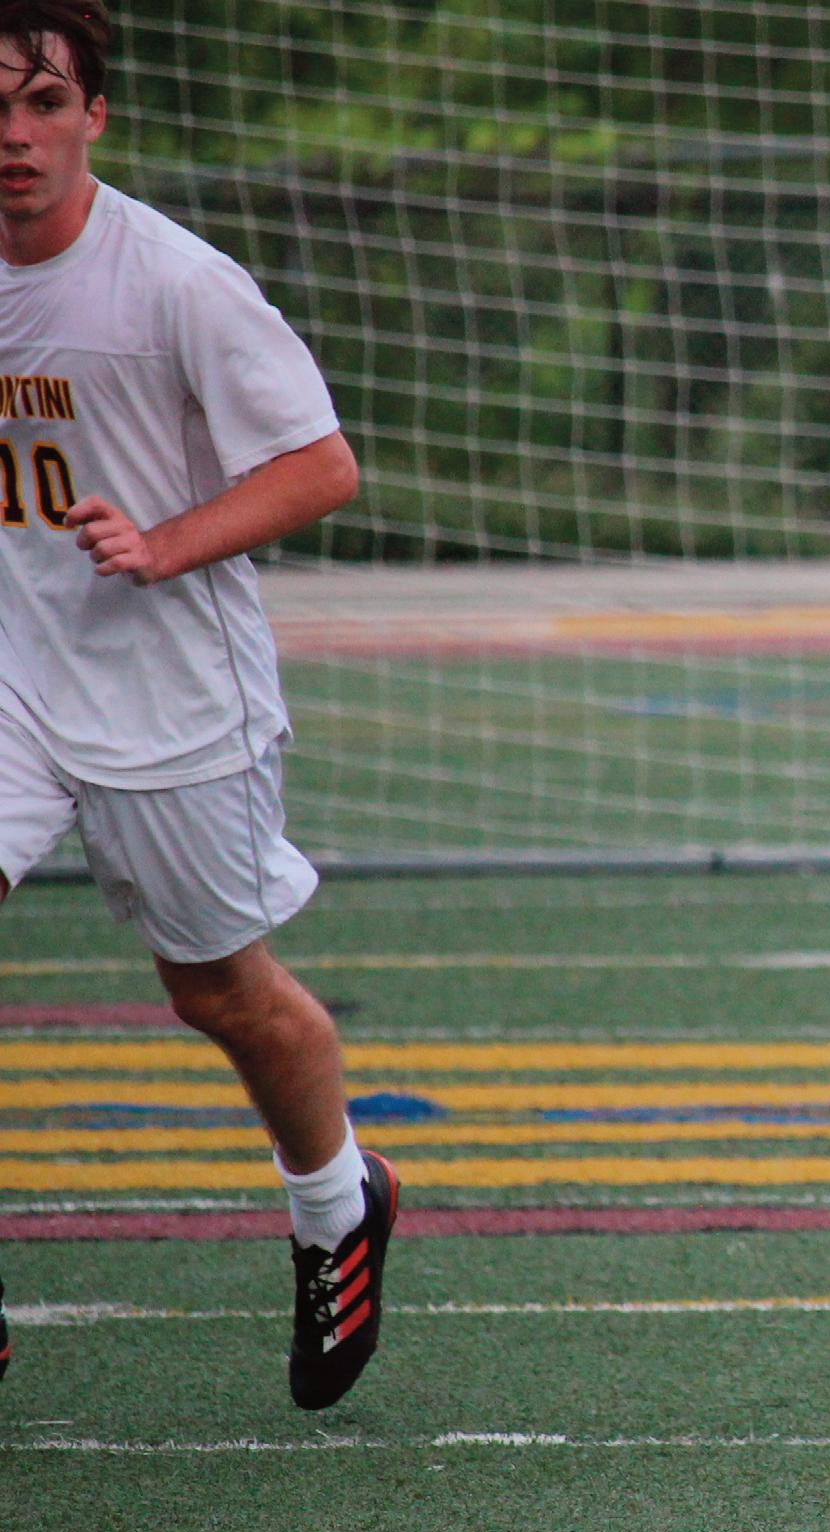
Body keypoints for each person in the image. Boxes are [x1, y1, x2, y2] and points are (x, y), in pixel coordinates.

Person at [0, 0, 397, 1404]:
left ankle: (338, 1206)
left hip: (166, 686)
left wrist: (165, 542)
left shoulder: (175, 282)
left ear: (95, 116)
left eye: (44, 102)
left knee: (218, 988)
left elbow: (322, 465)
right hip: (11, 675)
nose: (15, 134)